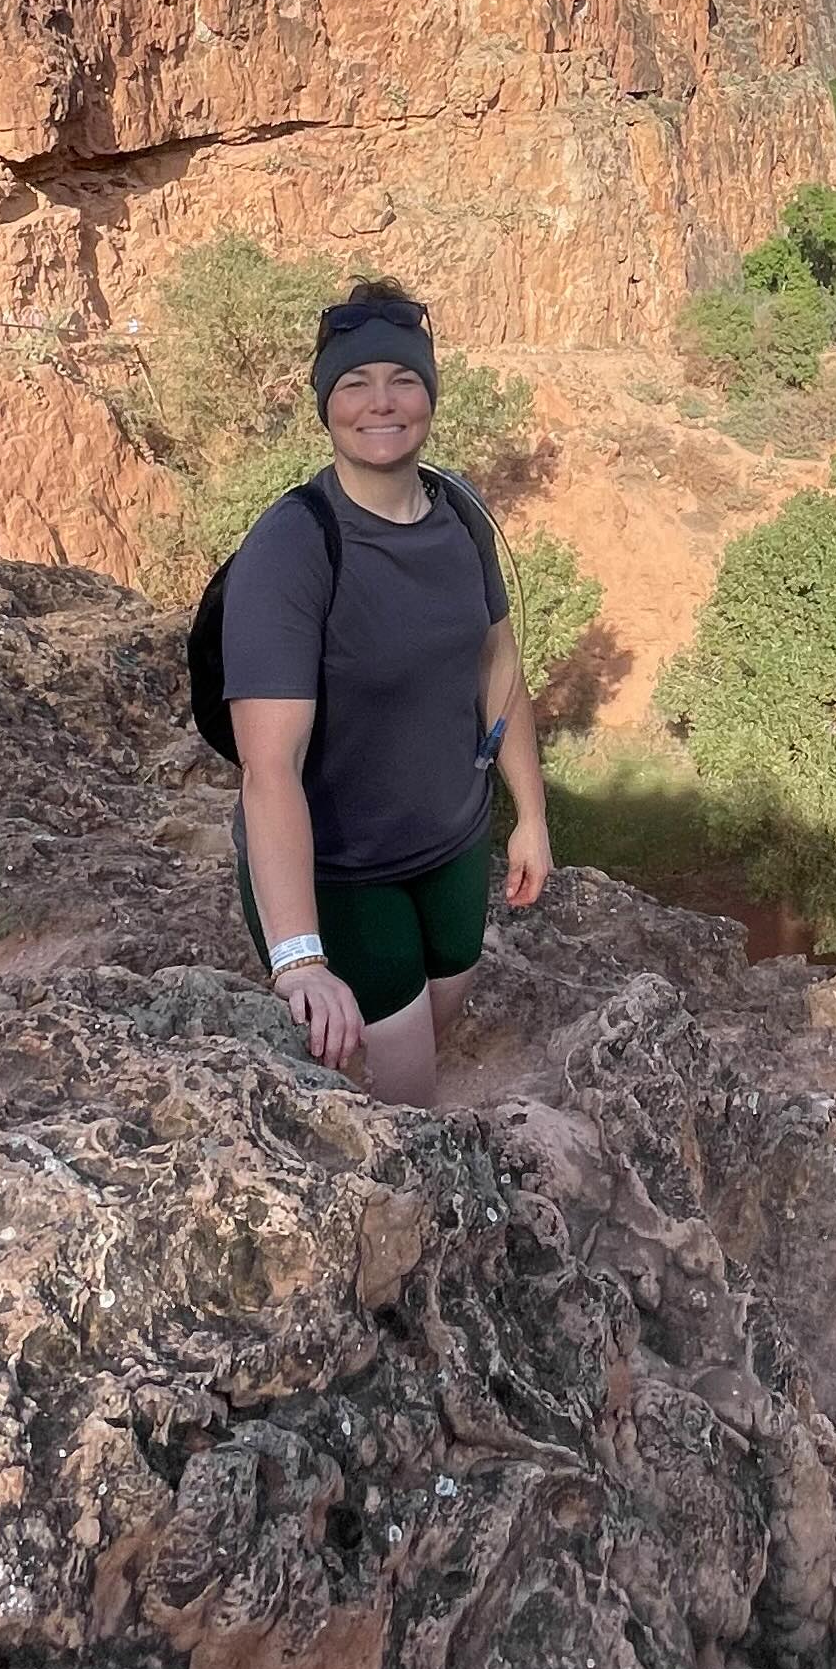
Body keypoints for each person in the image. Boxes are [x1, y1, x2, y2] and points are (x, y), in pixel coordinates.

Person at [222, 279, 552, 1100]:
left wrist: (533, 819)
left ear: (431, 394)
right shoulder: (293, 547)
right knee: (410, 1094)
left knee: (433, 1025)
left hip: (453, 849)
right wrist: (299, 958)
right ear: (325, 405)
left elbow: (498, 670)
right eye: (353, 383)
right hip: (346, 869)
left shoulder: (462, 515)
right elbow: (269, 768)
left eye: (403, 379)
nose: (381, 402)